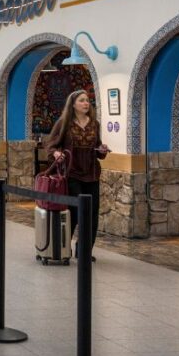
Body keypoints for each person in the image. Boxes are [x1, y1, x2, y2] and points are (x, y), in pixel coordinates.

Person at [45, 89, 110, 258]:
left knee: (91, 214)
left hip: (92, 173)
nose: (86, 103)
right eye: (81, 100)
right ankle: (64, 247)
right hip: (72, 173)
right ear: (73, 104)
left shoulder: (95, 124)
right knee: (74, 212)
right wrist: (55, 153)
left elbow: (98, 150)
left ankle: (84, 251)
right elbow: (50, 145)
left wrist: (102, 149)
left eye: (87, 100)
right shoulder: (64, 123)